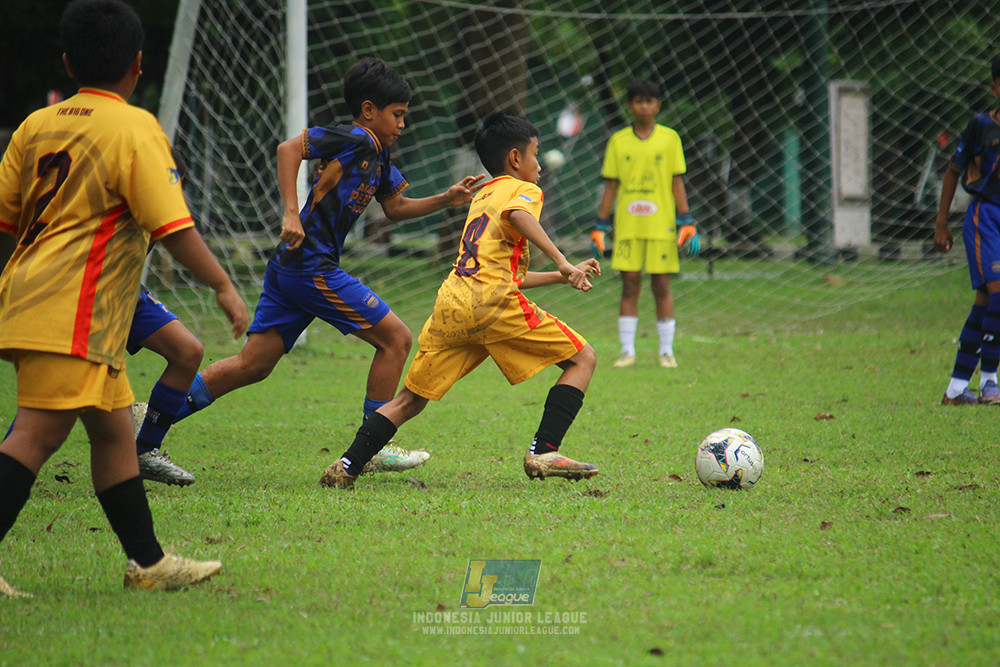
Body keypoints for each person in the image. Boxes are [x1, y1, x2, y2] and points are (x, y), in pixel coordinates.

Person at [0, 0, 249, 598]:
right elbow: (172, 227)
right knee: (36, 436)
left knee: (115, 436)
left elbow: (6, 219)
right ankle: (148, 561)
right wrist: (221, 282)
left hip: (47, 302)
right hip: (74, 310)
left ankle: (148, 562)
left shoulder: (38, 124)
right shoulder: (133, 127)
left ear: (67, 60)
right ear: (139, 64)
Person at [166, 58, 483, 473]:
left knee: (253, 365)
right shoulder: (353, 137)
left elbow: (395, 207)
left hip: (292, 268)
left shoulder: (380, 154)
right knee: (396, 340)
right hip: (310, 267)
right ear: (369, 110)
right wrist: (290, 212)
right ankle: (373, 444)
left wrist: (446, 199)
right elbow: (288, 150)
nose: (403, 124)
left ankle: (153, 414)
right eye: (398, 114)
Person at [320, 111, 600, 490]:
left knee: (409, 400)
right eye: (536, 154)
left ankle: (346, 466)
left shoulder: (483, 195)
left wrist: (563, 275)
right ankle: (544, 450)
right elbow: (519, 215)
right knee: (583, 358)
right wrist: (562, 260)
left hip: (453, 302)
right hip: (493, 303)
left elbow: (508, 273)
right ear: (516, 159)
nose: (538, 163)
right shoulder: (525, 191)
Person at [592, 78, 700, 369]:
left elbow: (677, 181)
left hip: (661, 226)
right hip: (628, 228)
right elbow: (611, 186)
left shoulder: (670, 139)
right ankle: (627, 351)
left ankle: (666, 351)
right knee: (629, 286)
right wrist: (601, 225)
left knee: (662, 286)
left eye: (649, 101)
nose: (643, 106)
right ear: (630, 105)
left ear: (658, 105)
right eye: (638, 101)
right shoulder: (618, 141)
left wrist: (686, 220)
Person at [934, 55, 1000, 406]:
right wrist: (941, 222)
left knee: (986, 300)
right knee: (998, 295)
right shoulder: (980, 126)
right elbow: (953, 169)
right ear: (995, 88)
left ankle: (957, 387)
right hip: (985, 217)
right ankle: (990, 381)